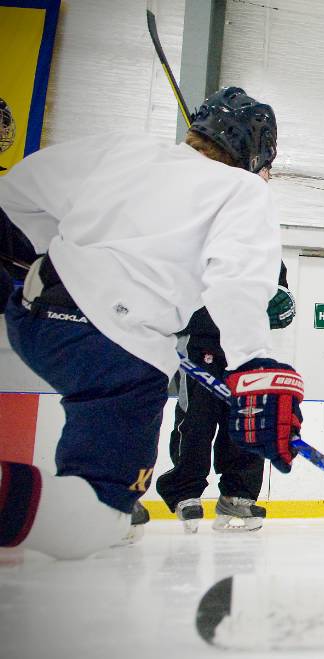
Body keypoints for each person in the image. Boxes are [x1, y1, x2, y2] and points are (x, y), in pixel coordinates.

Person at [0, 87, 304, 560]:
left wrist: (48, 259)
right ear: (259, 153)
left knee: (93, 462)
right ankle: (97, 503)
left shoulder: (126, 147)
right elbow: (237, 283)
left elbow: (16, 192)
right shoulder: (246, 191)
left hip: (34, 316)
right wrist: (253, 368)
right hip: (116, 353)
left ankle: (91, 491)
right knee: (95, 517)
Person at [155, 262, 296, 533]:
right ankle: (185, 490)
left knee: (248, 423)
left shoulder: (266, 252)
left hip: (246, 347)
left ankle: (237, 495)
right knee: (196, 419)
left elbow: (279, 300)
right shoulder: (198, 243)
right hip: (199, 341)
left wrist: (279, 304)